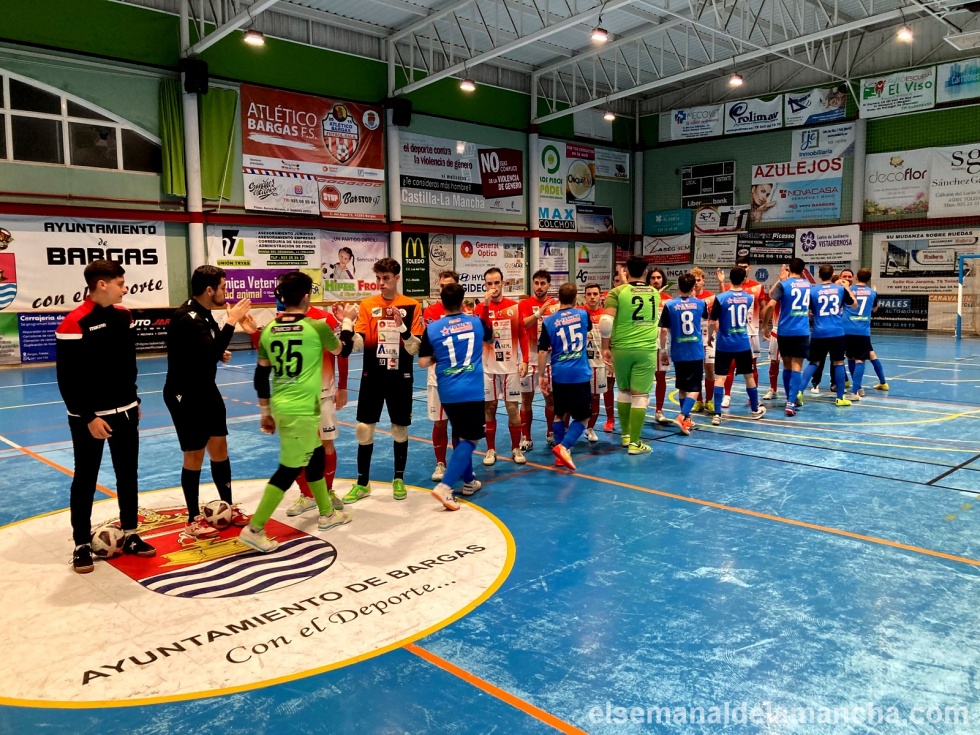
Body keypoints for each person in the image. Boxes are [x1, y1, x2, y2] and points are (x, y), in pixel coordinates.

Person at [240, 273, 355, 552]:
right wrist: (348, 321)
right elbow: (344, 350)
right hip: (302, 410)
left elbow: (260, 375)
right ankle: (254, 529)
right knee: (288, 470)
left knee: (315, 457)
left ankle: (327, 513)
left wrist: (265, 411)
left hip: (284, 406)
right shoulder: (317, 327)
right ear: (306, 296)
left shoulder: (269, 330)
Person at [55, 260, 155, 573]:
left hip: (125, 411)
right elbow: (67, 379)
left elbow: (128, 364)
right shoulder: (74, 323)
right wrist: (89, 417)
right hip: (89, 419)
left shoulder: (124, 316)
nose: (125, 289)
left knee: (128, 474)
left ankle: (131, 533)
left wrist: (134, 400)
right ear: (102, 284)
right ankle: (81, 544)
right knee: (85, 478)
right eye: (120, 284)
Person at [164, 265, 252, 539]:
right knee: (194, 454)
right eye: (223, 287)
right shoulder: (187, 316)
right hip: (184, 393)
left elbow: (207, 351)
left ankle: (227, 506)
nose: (226, 292)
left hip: (206, 389)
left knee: (220, 448)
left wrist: (219, 352)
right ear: (209, 290)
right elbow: (208, 352)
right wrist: (232, 321)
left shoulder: (204, 314)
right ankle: (192, 518)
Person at [344, 257, 424, 503]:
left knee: (399, 428)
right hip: (373, 375)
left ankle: (398, 478)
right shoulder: (367, 305)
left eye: (386, 278)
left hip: (400, 376)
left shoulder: (412, 305)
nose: (381, 283)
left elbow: (414, 348)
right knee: (363, 429)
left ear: (397, 278)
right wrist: (346, 326)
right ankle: (362, 483)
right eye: (378, 278)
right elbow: (358, 344)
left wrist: (402, 329)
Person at [418, 283, 489, 510]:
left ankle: (468, 482)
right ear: (462, 300)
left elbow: (422, 362)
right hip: (471, 390)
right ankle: (445, 486)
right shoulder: (476, 322)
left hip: (447, 391)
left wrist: (438, 357)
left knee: (459, 434)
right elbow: (491, 339)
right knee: (471, 439)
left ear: (442, 302)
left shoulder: (432, 328)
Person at [599, 255, 660, 455]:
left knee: (624, 391)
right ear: (646, 272)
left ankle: (625, 435)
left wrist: (605, 347)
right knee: (640, 395)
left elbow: (606, 322)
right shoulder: (655, 293)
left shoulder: (617, 292)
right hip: (645, 349)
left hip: (621, 348)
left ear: (626, 271)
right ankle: (635, 443)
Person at [474, 267, 529, 466]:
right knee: (489, 408)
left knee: (513, 408)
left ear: (503, 284)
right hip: (488, 368)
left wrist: (525, 360)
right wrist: (485, 305)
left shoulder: (514, 306)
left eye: (497, 283)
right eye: (489, 284)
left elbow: (522, 334)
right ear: (485, 285)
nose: (493, 287)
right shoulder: (479, 308)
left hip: (510, 368)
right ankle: (491, 449)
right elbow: (482, 331)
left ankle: (515, 447)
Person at [539, 282, 594, 471]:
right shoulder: (583, 315)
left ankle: (560, 457)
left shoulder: (548, 321)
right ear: (575, 297)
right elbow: (587, 329)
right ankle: (564, 447)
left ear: (559, 298)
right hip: (579, 374)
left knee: (559, 414)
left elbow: (542, 351)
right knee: (584, 418)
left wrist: (541, 375)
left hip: (559, 374)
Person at [423, 270, 468, 482]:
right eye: (441, 286)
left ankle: (460, 466)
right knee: (439, 423)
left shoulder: (468, 313)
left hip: (461, 379)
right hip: (437, 378)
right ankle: (440, 463)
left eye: (448, 286)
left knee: (460, 426)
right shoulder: (431, 312)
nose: (443, 290)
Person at [709, 267, 767, 425]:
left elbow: (713, 321)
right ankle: (755, 410)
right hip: (742, 343)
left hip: (724, 343)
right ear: (743, 279)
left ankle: (717, 414)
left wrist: (709, 338)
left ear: (729, 278)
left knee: (720, 377)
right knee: (749, 376)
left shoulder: (720, 298)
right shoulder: (748, 298)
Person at [798, 264, 855, 407]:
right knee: (839, 363)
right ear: (833, 275)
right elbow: (854, 304)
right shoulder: (840, 289)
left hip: (819, 332)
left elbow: (809, 311)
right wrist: (846, 287)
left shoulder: (812, 291)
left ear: (819, 275)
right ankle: (840, 398)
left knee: (814, 363)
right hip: (837, 332)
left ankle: (799, 392)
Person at [762, 258, 812, 417]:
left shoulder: (783, 285)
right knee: (797, 366)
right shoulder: (808, 285)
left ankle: (788, 399)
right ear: (803, 270)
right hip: (801, 331)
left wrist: (764, 325)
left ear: (789, 269)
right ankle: (791, 401)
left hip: (784, 331)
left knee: (787, 365)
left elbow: (771, 304)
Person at [659, 272, 708, 436]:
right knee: (695, 388)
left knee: (682, 387)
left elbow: (663, 331)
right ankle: (682, 416)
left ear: (678, 287)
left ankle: (686, 419)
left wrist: (663, 350)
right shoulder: (701, 304)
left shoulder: (669, 305)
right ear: (694, 287)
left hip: (678, 352)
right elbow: (707, 318)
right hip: (695, 351)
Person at [518, 270, 558, 450]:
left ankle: (551, 433)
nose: (539, 287)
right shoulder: (524, 304)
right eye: (536, 283)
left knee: (550, 398)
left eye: (543, 283)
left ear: (549, 285)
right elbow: (521, 325)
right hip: (528, 359)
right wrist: (538, 314)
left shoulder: (555, 305)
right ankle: (526, 437)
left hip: (549, 361)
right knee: (526, 400)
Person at [841, 268, 879, 400]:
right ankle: (855, 391)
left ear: (856, 277)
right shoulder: (872, 292)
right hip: (862, 331)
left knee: (850, 358)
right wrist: (875, 293)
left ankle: (857, 388)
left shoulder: (848, 290)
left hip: (846, 329)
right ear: (868, 279)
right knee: (860, 360)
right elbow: (875, 309)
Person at [582, 283, 609, 442]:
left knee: (595, 398)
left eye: (595, 294)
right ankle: (567, 429)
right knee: (575, 399)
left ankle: (590, 428)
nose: (592, 297)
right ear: (584, 296)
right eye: (589, 294)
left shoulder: (606, 316)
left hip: (599, 365)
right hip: (580, 366)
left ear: (600, 296)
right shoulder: (579, 314)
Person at [647, 266, 673, 425]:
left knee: (661, 377)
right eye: (653, 278)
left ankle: (658, 410)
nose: (656, 280)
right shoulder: (643, 297)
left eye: (658, 278)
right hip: (644, 343)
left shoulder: (669, 300)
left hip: (662, 344)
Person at [690, 267, 716, 413]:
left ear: (703, 281)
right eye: (693, 281)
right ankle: (698, 401)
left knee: (710, 369)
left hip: (709, 339)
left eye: (698, 280)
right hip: (693, 340)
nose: (696, 283)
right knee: (696, 371)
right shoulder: (687, 299)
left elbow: (715, 317)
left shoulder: (711, 297)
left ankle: (709, 400)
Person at [762, 263, 790, 400]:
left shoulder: (794, 287)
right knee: (774, 362)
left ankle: (792, 392)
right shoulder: (780, 287)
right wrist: (781, 278)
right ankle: (773, 389)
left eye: (788, 270)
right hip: (777, 331)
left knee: (791, 364)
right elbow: (771, 293)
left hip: (790, 331)